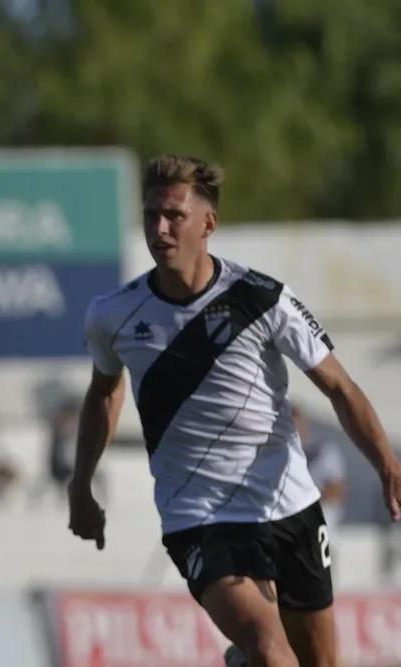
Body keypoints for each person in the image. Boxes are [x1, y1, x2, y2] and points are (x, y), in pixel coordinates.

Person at [68, 155, 401, 667]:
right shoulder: (113, 314)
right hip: (200, 516)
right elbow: (104, 394)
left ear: (208, 224)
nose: (160, 228)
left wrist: (386, 462)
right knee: (270, 651)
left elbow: (339, 386)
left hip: (288, 504)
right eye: (151, 214)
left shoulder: (262, 299)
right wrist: (81, 484)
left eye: (174, 215)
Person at [292, 405, 347, 546]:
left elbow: (337, 491)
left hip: (320, 529)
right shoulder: (279, 460)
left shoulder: (324, 452)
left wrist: (302, 499)